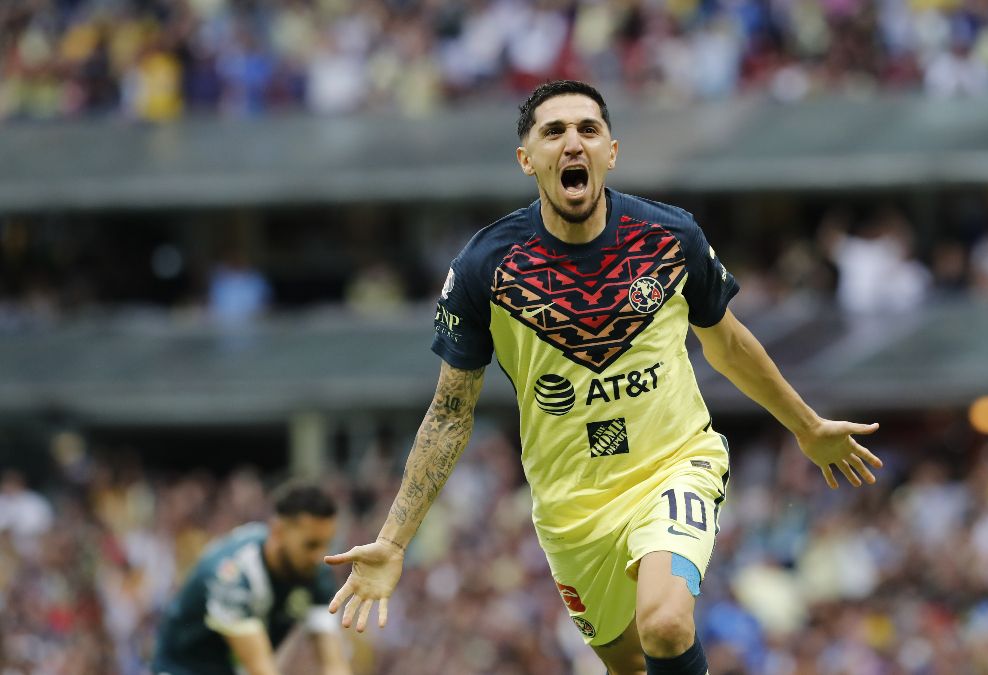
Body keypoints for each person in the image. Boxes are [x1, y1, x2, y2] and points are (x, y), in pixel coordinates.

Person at [324, 80, 883, 675]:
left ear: (611, 151)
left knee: (666, 627)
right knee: (629, 665)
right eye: (554, 132)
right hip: (570, 506)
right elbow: (450, 412)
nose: (572, 144)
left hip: (674, 464)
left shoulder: (671, 238)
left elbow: (730, 346)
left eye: (587, 130)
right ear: (526, 159)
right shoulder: (484, 268)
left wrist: (806, 426)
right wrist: (394, 539)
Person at [152, 482, 350, 675]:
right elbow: (260, 669)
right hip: (182, 668)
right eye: (311, 545)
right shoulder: (232, 575)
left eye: (326, 544)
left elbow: (333, 662)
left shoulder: (315, 572)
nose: (320, 556)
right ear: (278, 531)